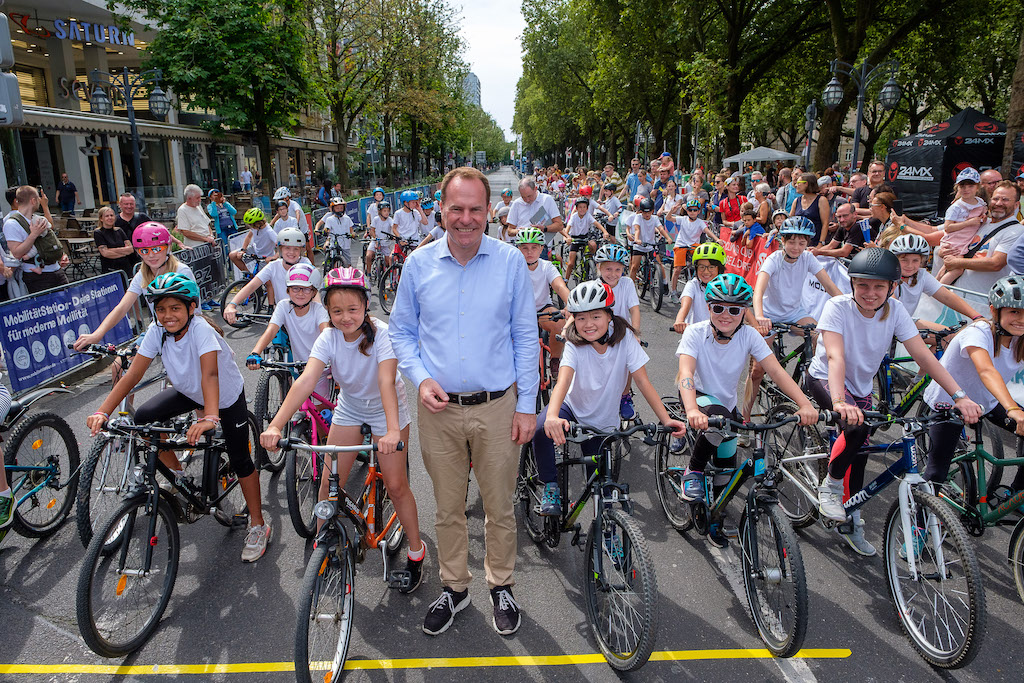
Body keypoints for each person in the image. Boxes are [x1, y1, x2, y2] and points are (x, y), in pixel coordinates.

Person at [388, 167, 538, 638]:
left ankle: (501, 585)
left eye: (476, 209)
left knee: (499, 507)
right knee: (448, 509)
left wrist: (527, 404)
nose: (466, 218)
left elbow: (525, 336)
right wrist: (420, 376)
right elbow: (401, 332)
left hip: (498, 405)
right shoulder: (418, 264)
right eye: (457, 208)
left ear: (490, 211)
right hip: (439, 410)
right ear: (442, 209)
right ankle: (455, 587)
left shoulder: (512, 262)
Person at [806, 248, 982, 555]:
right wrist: (838, 402)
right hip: (825, 379)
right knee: (855, 428)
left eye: (878, 286)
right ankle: (831, 486)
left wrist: (959, 395)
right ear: (852, 284)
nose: (870, 293)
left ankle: (851, 518)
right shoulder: (837, 306)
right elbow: (834, 356)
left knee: (859, 451)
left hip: (860, 387)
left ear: (892, 287)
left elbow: (923, 355)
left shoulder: (896, 311)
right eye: (862, 285)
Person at [85, 273, 272, 562]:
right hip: (189, 390)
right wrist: (102, 410)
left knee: (240, 459)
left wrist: (210, 417)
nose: (167, 315)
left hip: (223, 395)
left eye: (175, 308)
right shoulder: (157, 331)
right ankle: (179, 477)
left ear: (191, 308)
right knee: (144, 418)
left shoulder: (201, 331)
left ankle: (258, 524)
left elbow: (210, 375)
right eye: (161, 309)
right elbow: (133, 374)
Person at [260, 267, 425, 589]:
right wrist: (277, 424)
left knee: (395, 484)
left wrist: (392, 431)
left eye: (352, 309)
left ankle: (417, 552)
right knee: (328, 484)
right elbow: (306, 380)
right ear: (328, 310)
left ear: (366, 306)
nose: (345, 317)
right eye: (337, 311)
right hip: (350, 406)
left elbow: (386, 382)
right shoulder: (329, 336)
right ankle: (325, 547)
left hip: (385, 409)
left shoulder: (382, 334)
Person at [676, 273, 818, 546]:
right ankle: (692, 470)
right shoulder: (696, 332)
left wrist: (805, 403)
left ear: (744, 311)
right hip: (697, 398)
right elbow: (686, 373)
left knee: (726, 471)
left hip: (726, 409)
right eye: (718, 308)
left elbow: (776, 372)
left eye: (734, 309)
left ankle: (715, 516)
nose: (725, 315)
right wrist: (692, 408)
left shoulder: (749, 335)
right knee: (721, 421)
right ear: (708, 308)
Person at [534, 280, 685, 514]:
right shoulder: (574, 344)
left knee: (601, 492)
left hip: (603, 421)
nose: (588, 324)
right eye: (581, 318)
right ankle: (551, 485)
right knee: (540, 428)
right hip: (572, 408)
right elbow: (563, 381)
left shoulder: (625, 339)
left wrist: (666, 420)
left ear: (609, 315)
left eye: (595, 316)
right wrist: (552, 415)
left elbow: (643, 381)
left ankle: (607, 533)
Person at [921, 276, 1024, 491]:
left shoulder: (1020, 339)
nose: (1021, 319)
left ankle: (1016, 493)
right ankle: (920, 521)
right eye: (1014, 311)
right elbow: (986, 370)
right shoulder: (978, 332)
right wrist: (1013, 408)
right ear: (995, 311)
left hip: (987, 400)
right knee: (936, 473)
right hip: (950, 401)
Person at [246, 263, 331, 429]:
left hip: (320, 367)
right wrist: (255, 352)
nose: (300, 293)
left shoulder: (318, 310)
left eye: (306, 289)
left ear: (314, 291)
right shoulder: (283, 306)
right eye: (295, 288)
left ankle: (323, 447)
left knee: (321, 416)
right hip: (298, 366)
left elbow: (326, 333)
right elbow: (271, 331)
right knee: (300, 405)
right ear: (287, 290)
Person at [940, 181, 1023, 295]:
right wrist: (944, 250)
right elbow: (953, 238)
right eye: (995, 199)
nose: (999, 203)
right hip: (955, 296)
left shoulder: (1017, 231)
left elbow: (995, 263)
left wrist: (957, 262)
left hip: (980, 302)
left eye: (1005, 200)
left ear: (1016, 205)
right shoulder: (981, 221)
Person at [888, 234, 982, 332]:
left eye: (915, 260)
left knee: (948, 336)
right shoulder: (889, 277)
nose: (910, 265)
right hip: (889, 323)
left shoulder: (921, 275)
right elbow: (893, 307)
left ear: (921, 261)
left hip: (904, 321)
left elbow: (947, 296)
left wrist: (976, 316)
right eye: (904, 260)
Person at [517, 227, 570, 377]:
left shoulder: (546, 266)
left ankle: (554, 359)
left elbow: (559, 286)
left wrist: (571, 304)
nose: (529, 252)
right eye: (524, 248)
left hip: (542, 308)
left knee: (559, 324)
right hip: (520, 311)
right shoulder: (513, 266)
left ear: (541, 249)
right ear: (518, 249)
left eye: (534, 247)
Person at [3, 186, 69, 293]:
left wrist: (61, 254)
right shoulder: (11, 223)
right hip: (37, 276)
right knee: (46, 306)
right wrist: (33, 235)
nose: (40, 201)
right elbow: (16, 253)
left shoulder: (37, 218)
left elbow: (49, 238)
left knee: (68, 304)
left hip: (56, 270)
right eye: (38, 198)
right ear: (33, 201)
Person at [937, 168, 988, 284]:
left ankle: (933, 287)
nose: (966, 189)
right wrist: (969, 223)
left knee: (947, 268)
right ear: (957, 188)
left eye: (970, 186)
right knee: (957, 269)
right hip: (955, 243)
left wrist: (983, 218)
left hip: (966, 241)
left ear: (977, 187)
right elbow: (947, 227)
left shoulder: (980, 202)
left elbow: (983, 214)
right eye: (962, 186)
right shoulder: (956, 207)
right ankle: (940, 290)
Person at [666, 198, 720, 301]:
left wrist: (717, 239)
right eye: (690, 210)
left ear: (699, 211)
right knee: (677, 269)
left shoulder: (700, 222)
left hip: (694, 245)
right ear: (687, 211)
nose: (692, 212)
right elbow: (669, 218)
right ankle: (673, 291)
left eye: (695, 210)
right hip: (681, 244)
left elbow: (707, 231)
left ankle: (701, 285)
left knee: (703, 264)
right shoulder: (683, 219)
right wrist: (672, 210)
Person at [672, 242, 726, 334]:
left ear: (719, 269)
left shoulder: (726, 286)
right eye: (701, 267)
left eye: (711, 267)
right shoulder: (693, 285)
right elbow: (685, 306)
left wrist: (756, 326)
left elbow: (743, 308)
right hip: (696, 336)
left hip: (721, 337)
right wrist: (679, 321)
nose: (706, 271)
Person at [506, 176, 564, 257]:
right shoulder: (517, 204)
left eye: (529, 196)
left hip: (540, 247)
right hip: (522, 247)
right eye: (523, 197)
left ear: (535, 189)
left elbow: (559, 225)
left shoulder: (547, 200)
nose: (527, 200)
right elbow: (509, 231)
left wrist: (544, 228)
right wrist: (518, 231)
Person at [626, 197, 670, 286]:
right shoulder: (638, 217)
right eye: (645, 212)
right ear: (641, 211)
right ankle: (630, 286)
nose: (647, 214)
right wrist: (637, 239)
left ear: (652, 211)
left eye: (649, 212)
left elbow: (661, 228)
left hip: (651, 246)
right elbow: (637, 229)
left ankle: (665, 283)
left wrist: (668, 238)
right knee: (634, 267)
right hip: (639, 246)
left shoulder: (654, 218)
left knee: (659, 263)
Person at [562, 198, 610, 278]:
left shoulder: (588, 215)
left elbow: (597, 224)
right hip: (574, 238)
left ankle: (591, 263)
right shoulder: (574, 217)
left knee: (593, 245)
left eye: (584, 207)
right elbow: (567, 229)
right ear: (576, 208)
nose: (582, 209)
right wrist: (566, 237)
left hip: (585, 237)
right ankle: (566, 280)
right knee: (570, 263)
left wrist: (605, 232)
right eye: (580, 207)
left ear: (587, 208)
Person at [229, 208, 278, 275]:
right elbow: (248, 237)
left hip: (265, 257)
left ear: (258, 224)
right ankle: (249, 275)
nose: (250, 227)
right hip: (255, 250)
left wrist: (274, 257)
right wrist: (243, 250)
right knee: (233, 255)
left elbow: (281, 246)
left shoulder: (269, 232)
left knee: (265, 281)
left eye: (251, 225)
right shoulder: (255, 228)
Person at [92, 206, 134, 283]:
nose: (110, 218)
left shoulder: (119, 230)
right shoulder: (98, 233)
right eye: (107, 216)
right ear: (101, 219)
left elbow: (130, 249)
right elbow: (105, 253)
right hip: (110, 267)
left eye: (111, 215)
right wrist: (124, 252)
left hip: (125, 267)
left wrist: (112, 250)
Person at [788, 173, 830, 246]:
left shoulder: (821, 200)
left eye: (798, 183)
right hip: (798, 243)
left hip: (814, 243)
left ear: (806, 184)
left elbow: (825, 224)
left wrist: (820, 243)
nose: (796, 185)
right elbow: (790, 221)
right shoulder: (796, 201)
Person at [315, 197, 353, 267]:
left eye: (341, 208)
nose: (339, 210)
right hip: (333, 239)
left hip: (345, 241)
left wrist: (353, 234)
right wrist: (324, 231)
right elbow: (326, 228)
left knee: (348, 263)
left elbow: (351, 230)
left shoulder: (347, 218)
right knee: (328, 249)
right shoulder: (329, 218)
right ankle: (329, 261)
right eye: (337, 208)